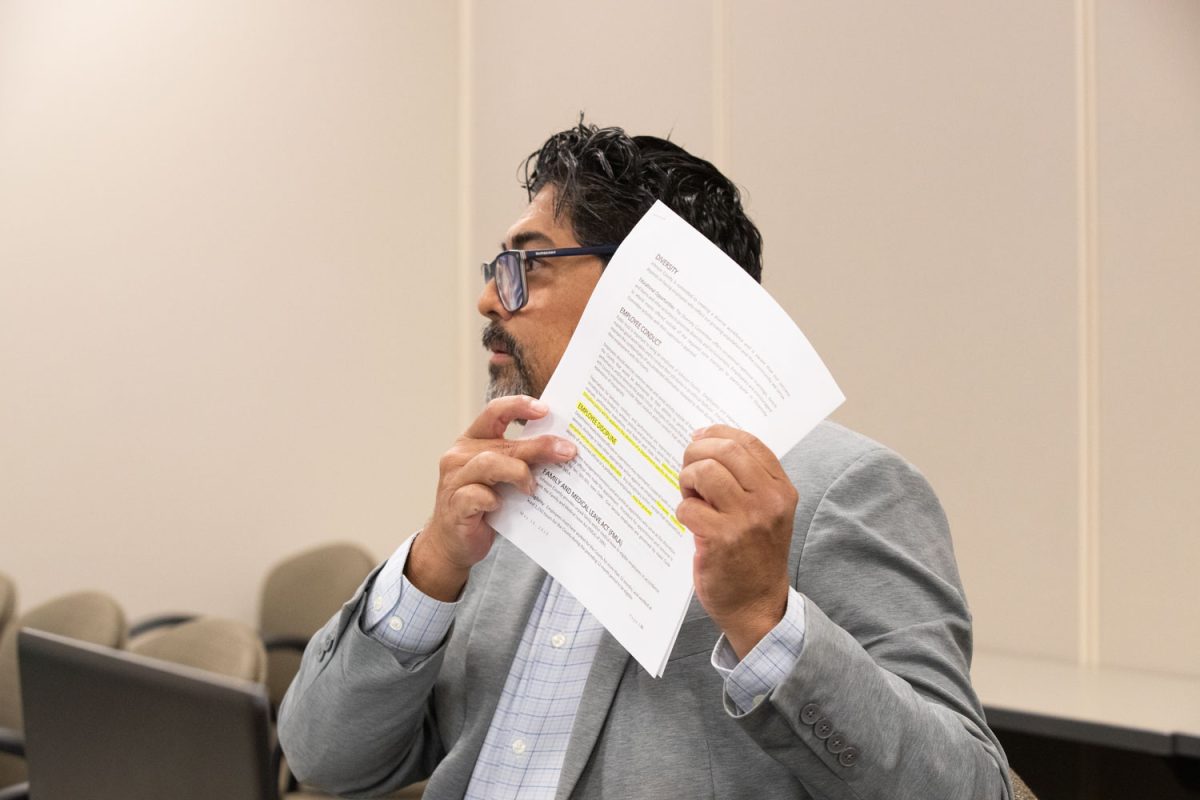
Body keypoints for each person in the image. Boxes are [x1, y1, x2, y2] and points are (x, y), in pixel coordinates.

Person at [278, 122, 1012, 800]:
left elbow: (967, 787)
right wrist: (431, 569)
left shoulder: (844, 489)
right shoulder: (508, 485)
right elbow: (327, 761)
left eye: (523, 264)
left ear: (654, 288)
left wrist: (766, 620)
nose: (486, 301)